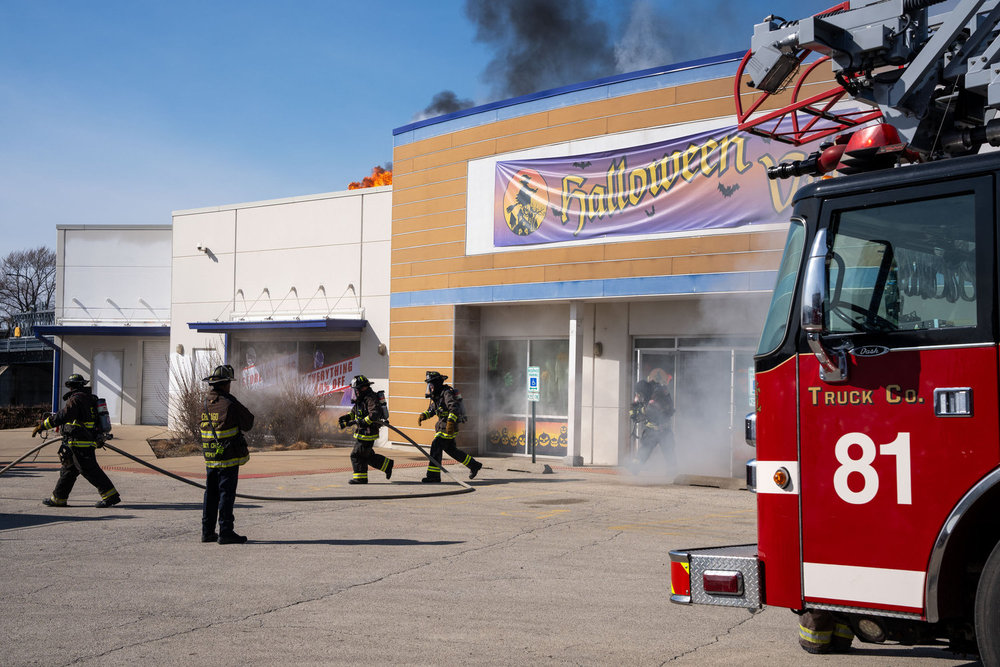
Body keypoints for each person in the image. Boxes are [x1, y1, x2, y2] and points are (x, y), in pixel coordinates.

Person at [34, 373, 121, 508]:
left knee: (89, 469)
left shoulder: (76, 399)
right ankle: (59, 498)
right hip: (83, 440)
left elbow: (64, 415)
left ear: (70, 386)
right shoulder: (90, 398)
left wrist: (43, 425)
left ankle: (110, 496)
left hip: (79, 441)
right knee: (69, 470)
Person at [200, 364, 255, 544]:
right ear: (225, 384)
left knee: (211, 493)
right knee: (226, 494)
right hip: (228, 456)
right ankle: (225, 531)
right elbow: (248, 422)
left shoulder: (205, 403)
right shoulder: (229, 403)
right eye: (229, 383)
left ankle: (207, 531)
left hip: (210, 457)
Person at [418, 370, 482, 482]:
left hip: (447, 428)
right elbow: (433, 409)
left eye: (431, 384)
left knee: (436, 447)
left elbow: (454, 408)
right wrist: (424, 415)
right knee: (452, 451)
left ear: (437, 383)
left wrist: (450, 423)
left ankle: (433, 476)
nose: (430, 387)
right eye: (429, 385)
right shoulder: (437, 395)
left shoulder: (446, 393)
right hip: (443, 427)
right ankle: (474, 465)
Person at [338, 374, 393, 484]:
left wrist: (362, 422)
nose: (355, 392)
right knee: (365, 455)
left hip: (368, 433)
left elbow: (374, 414)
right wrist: (346, 417)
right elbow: (354, 413)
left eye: (356, 390)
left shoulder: (370, 398)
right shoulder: (361, 399)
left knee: (356, 455)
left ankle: (360, 478)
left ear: (363, 388)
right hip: (362, 432)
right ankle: (386, 465)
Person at [632, 379, 675, 468]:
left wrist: (641, 411)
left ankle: (673, 473)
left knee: (669, 453)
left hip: (664, 430)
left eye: (640, 393)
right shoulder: (647, 395)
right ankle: (634, 468)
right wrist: (634, 414)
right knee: (644, 450)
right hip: (651, 430)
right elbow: (635, 406)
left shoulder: (659, 393)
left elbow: (652, 410)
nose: (640, 395)